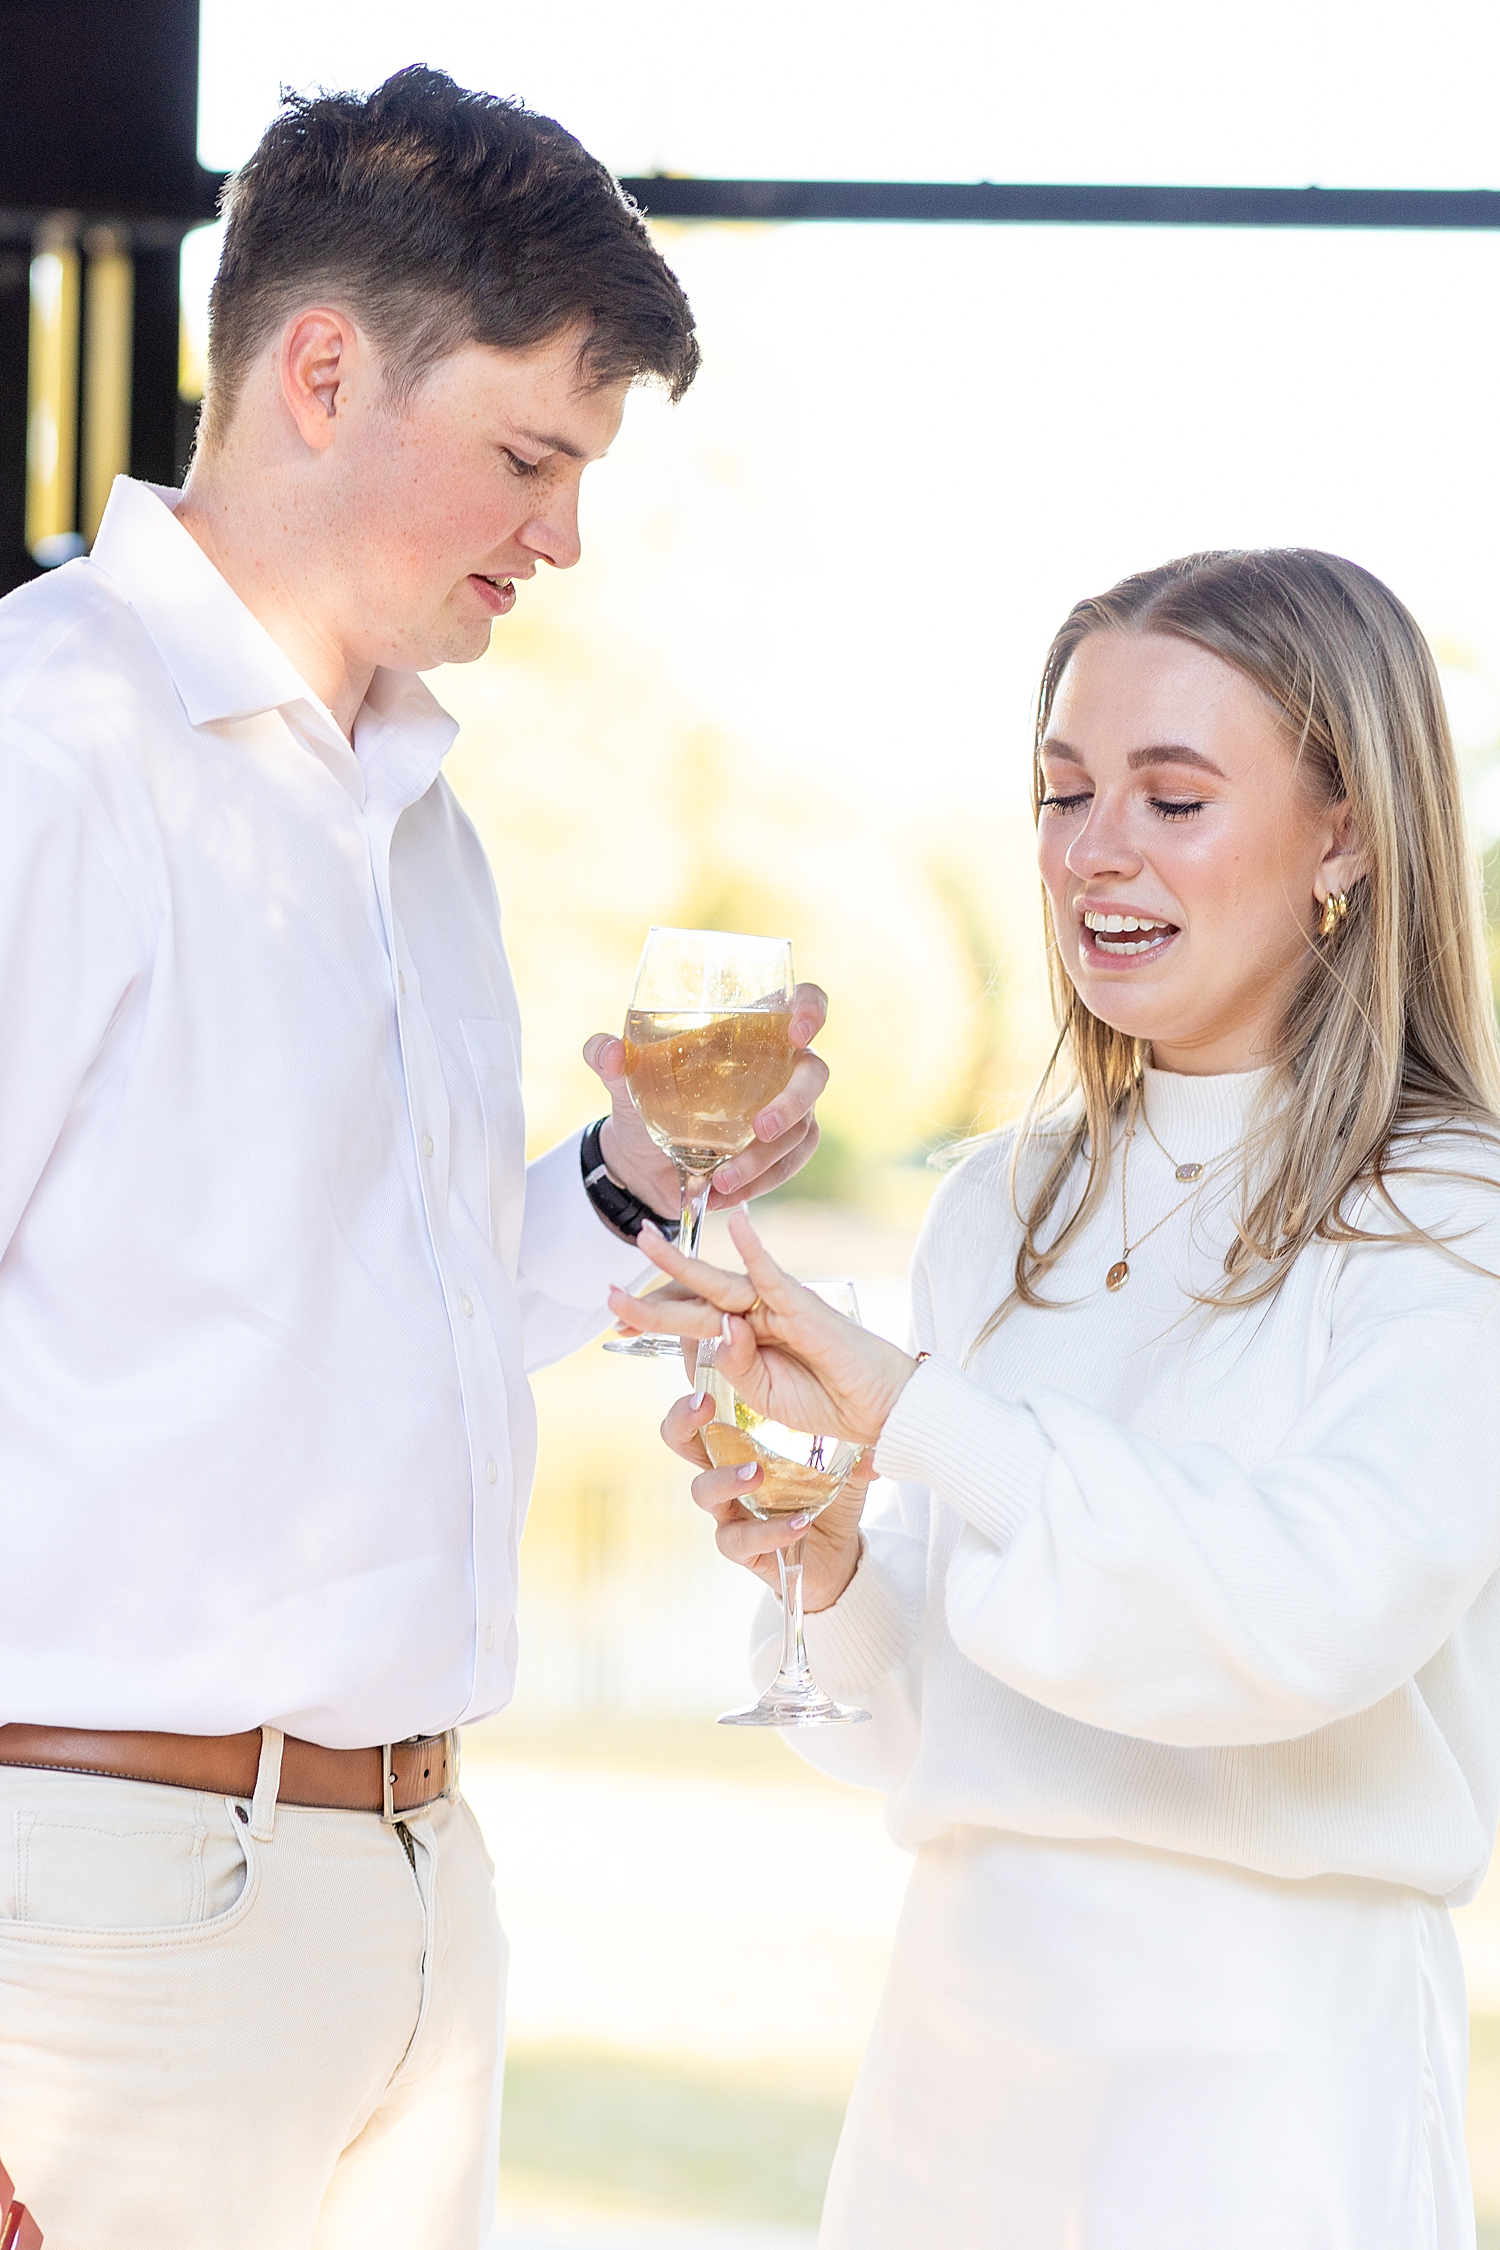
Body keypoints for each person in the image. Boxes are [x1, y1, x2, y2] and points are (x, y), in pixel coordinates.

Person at [0, 68, 827, 2250]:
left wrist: (630, 1181)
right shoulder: (42, 748)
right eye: (534, 457)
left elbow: (421, 1310)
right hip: (91, 1926)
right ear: (323, 367)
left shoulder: (423, 827)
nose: (563, 535)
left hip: (418, 1896)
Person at [617, 548, 1500, 2248]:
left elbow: (1311, 1611)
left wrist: (917, 1410)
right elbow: (938, 1726)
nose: (1097, 849)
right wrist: (824, 1570)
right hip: (964, 2052)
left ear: (1347, 833)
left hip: (1263, 2078)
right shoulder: (1001, 1203)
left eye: (1175, 798)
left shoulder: (1444, 1209)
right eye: (1065, 789)